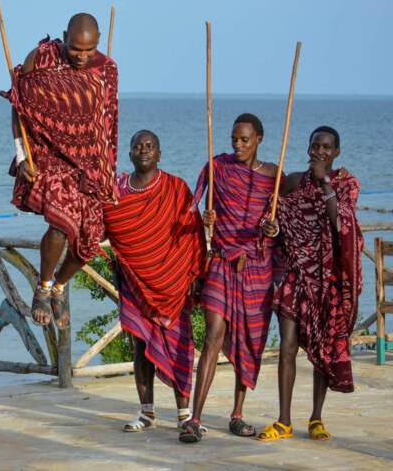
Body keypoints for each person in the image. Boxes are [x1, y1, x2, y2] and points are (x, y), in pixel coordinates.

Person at [0, 12, 119, 330]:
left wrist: (106, 172)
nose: (82, 57)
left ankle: (58, 287)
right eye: (75, 49)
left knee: (91, 238)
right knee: (62, 222)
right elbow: (20, 107)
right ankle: (42, 287)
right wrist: (22, 155)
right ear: (64, 36)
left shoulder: (106, 68)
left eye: (89, 50)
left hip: (88, 167)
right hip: (48, 160)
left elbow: (107, 124)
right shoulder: (40, 58)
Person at [257, 126, 363, 442]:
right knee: (287, 345)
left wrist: (325, 183)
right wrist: (273, 227)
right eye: (315, 145)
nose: (319, 151)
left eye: (326, 147)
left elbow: (341, 223)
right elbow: (273, 222)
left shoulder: (346, 184)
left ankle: (316, 417)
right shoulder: (291, 182)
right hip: (294, 274)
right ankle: (284, 420)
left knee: (321, 345)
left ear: (336, 152)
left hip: (327, 278)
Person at [180, 113, 279, 443]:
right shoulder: (218, 166)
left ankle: (237, 415)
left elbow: (280, 218)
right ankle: (194, 419)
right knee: (213, 335)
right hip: (221, 261)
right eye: (234, 139)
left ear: (259, 139)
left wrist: (272, 227)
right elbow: (193, 207)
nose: (237, 145)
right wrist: (206, 217)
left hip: (256, 267)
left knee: (250, 340)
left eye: (245, 140)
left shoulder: (273, 176)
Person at [103, 130, 205, 433]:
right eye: (138, 146)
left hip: (174, 283)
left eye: (150, 146)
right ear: (130, 153)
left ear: (159, 153)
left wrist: (196, 274)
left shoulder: (176, 188)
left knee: (180, 347)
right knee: (141, 345)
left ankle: (184, 413)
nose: (143, 150)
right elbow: (104, 225)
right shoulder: (117, 191)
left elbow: (193, 231)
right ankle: (147, 412)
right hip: (135, 282)